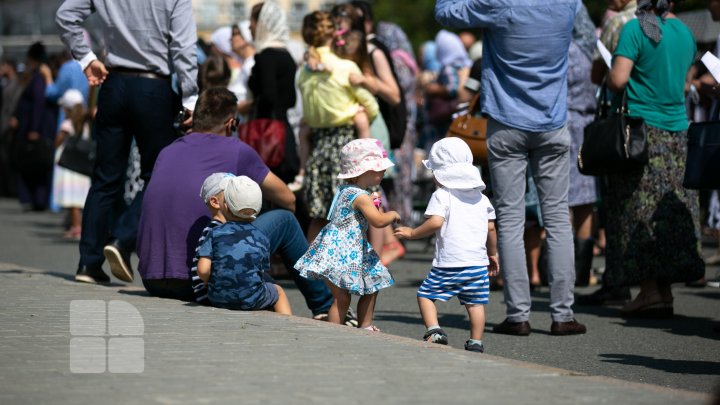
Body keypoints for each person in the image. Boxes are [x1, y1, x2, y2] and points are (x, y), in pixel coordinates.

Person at [435, 0, 587, 336]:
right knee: (559, 217)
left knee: (510, 218)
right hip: (553, 122)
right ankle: (563, 315)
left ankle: (519, 315)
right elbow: (587, 39)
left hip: (507, 122)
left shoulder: (500, 3)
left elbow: (445, 13)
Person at [136, 87, 333, 317]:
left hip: (153, 279)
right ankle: (325, 307)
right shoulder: (237, 150)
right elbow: (287, 198)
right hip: (200, 283)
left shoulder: (167, 151)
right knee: (285, 221)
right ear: (231, 123)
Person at [56, 0, 200, 284]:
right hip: (153, 86)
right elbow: (184, 48)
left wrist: (86, 58)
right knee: (160, 176)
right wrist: (190, 98)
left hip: (114, 84)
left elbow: (65, 15)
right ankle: (122, 239)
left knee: (104, 178)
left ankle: (88, 262)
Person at [605, 0, 704, 318]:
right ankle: (664, 292)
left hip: (641, 133)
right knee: (667, 209)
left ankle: (649, 291)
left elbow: (618, 80)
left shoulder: (635, 28)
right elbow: (686, 83)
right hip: (677, 132)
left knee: (638, 208)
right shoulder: (685, 33)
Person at [394, 137, 498, 353]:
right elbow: (491, 229)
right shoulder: (482, 199)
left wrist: (413, 233)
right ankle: (476, 342)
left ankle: (434, 331)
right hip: (477, 264)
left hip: (449, 263)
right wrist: (493, 253)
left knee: (425, 295)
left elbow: (435, 222)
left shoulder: (442, 195)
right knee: (475, 304)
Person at [295, 138, 399, 330]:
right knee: (344, 297)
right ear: (364, 171)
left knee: (366, 287)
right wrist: (391, 214)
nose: (384, 171)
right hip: (344, 251)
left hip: (344, 249)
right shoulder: (360, 196)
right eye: (379, 169)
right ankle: (343, 330)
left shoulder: (346, 190)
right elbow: (377, 221)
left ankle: (361, 326)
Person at [297, 10, 379, 244]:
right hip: (346, 147)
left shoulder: (304, 72)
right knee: (349, 215)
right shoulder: (346, 67)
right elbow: (371, 106)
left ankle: (314, 274)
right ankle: (345, 272)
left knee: (318, 216)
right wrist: (361, 114)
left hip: (318, 148)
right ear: (333, 33)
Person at [197, 175, 292, 315]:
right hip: (251, 299)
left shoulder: (215, 233)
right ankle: (288, 326)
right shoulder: (262, 237)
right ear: (258, 208)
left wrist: (208, 282)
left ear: (226, 206)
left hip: (217, 298)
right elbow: (261, 270)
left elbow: (203, 270)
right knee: (278, 291)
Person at [246, 1, 299, 185]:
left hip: (267, 136)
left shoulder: (266, 56)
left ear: (262, 23)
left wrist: (251, 105)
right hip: (284, 132)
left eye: (251, 21)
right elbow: (291, 98)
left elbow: (269, 95)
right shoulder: (286, 54)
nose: (249, 26)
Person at [13, 42, 57, 212]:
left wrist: (34, 128)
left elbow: (39, 102)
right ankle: (37, 198)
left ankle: (38, 198)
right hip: (37, 125)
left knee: (36, 163)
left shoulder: (39, 76)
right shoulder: (39, 74)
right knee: (37, 163)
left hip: (37, 127)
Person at [52, 89, 92, 240]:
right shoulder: (84, 124)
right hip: (81, 166)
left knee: (72, 199)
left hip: (68, 165)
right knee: (79, 198)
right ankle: (75, 225)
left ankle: (76, 227)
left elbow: (58, 141)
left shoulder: (67, 124)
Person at [190, 172, 233, 304]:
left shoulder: (220, 228)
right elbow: (202, 270)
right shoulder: (216, 230)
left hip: (211, 292)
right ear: (215, 202)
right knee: (277, 291)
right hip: (209, 293)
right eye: (233, 194)